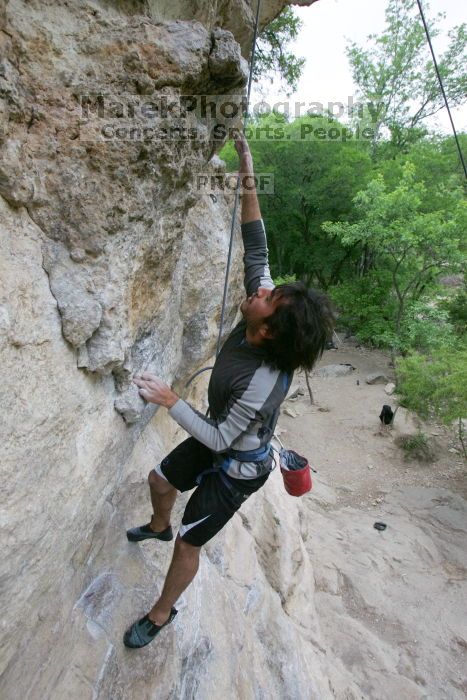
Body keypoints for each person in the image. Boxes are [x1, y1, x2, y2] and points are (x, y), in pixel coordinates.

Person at [123, 133, 334, 648]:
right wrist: (247, 167)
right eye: (269, 288)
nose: (261, 289)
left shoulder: (263, 382)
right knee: (158, 480)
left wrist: (171, 400)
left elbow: (219, 441)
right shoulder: (265, 318)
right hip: (224, 435)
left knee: (190, 543)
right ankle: (157, 524)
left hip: (239, 466)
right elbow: (256, 240)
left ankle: (159, 613)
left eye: (269, 296)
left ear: (268, 332)